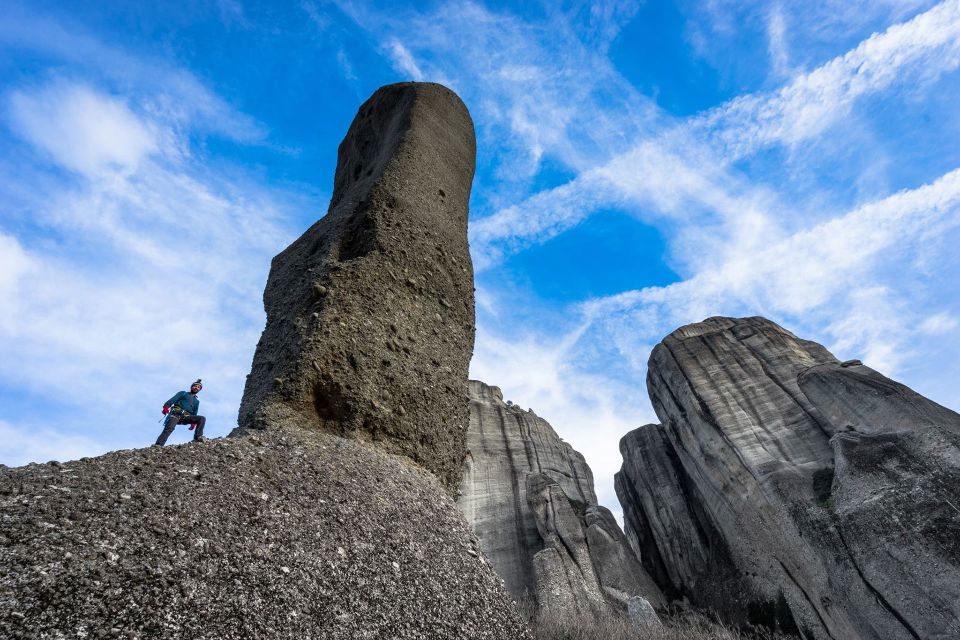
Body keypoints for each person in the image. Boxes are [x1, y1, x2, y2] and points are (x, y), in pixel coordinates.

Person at [154, 379, 207, 446]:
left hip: (186, 417)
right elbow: (172, 400)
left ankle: (197, 438)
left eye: (198, 387)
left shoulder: (197, 401)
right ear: (191, 387)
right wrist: (166, 407)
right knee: (169, 428)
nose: (196, 388)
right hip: (176, 414)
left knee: (202, 419)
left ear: (199, 390)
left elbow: (194, 412)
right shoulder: (183, 393)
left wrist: (193, 424)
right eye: (195, 386)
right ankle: (158, 445)